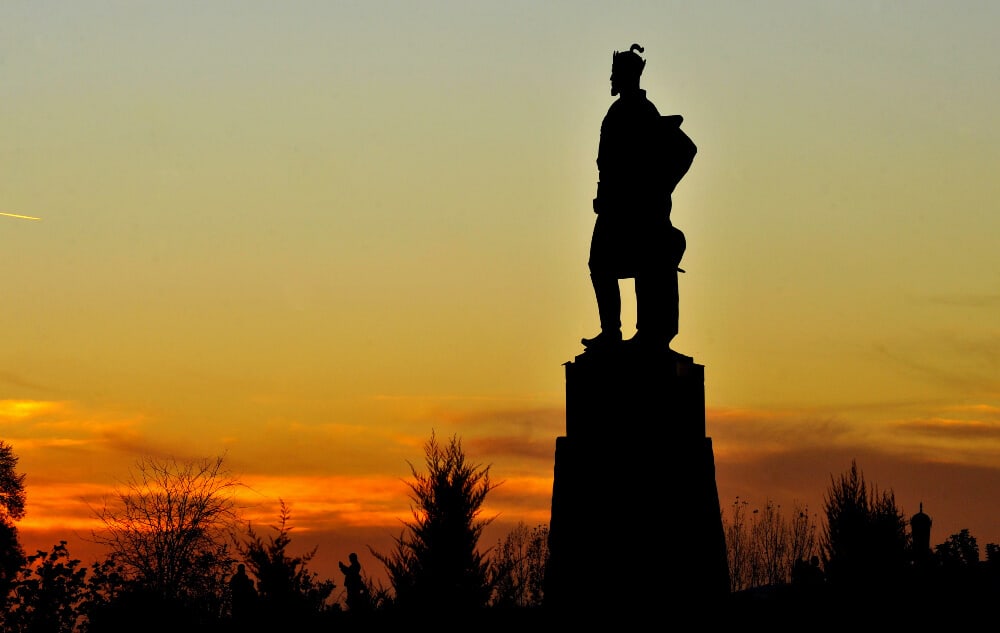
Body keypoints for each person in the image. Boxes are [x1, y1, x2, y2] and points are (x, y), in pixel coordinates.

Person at [582, 43, 696, 353]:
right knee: (601, 264)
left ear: (628, 76)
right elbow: (608, 164)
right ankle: (611, 332)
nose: (611, 80)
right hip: (612, 207)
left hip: (633, 211)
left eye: (615, 74)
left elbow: (684, 150)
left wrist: (658, 190)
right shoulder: (620, 110)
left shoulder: (643, 112)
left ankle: (635, 333)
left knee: (639, 267)